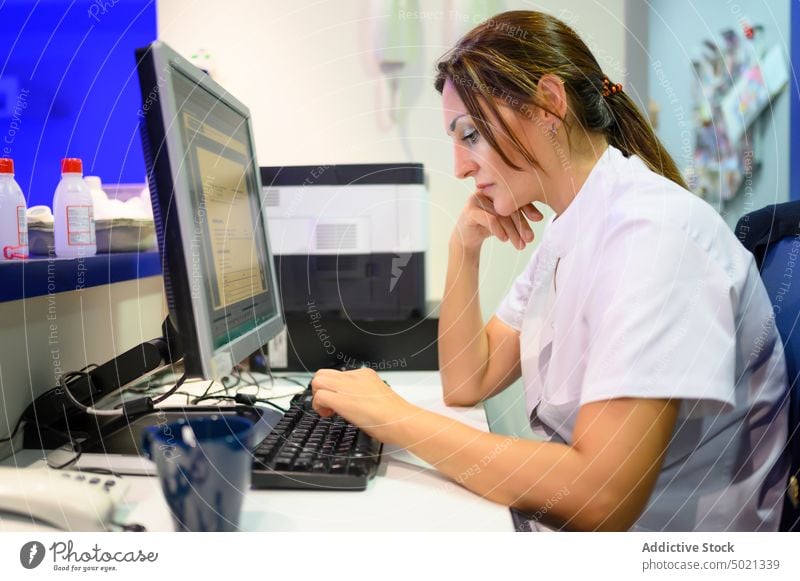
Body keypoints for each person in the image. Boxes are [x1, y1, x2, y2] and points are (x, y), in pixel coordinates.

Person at [309, 10, 789, 531]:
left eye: (470, 134)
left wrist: (394, 417)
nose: (460, 168)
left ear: (548, 104)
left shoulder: (653, 236)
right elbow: (468, 381)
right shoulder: (575, 227)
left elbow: (601, 496)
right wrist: (463, 247)